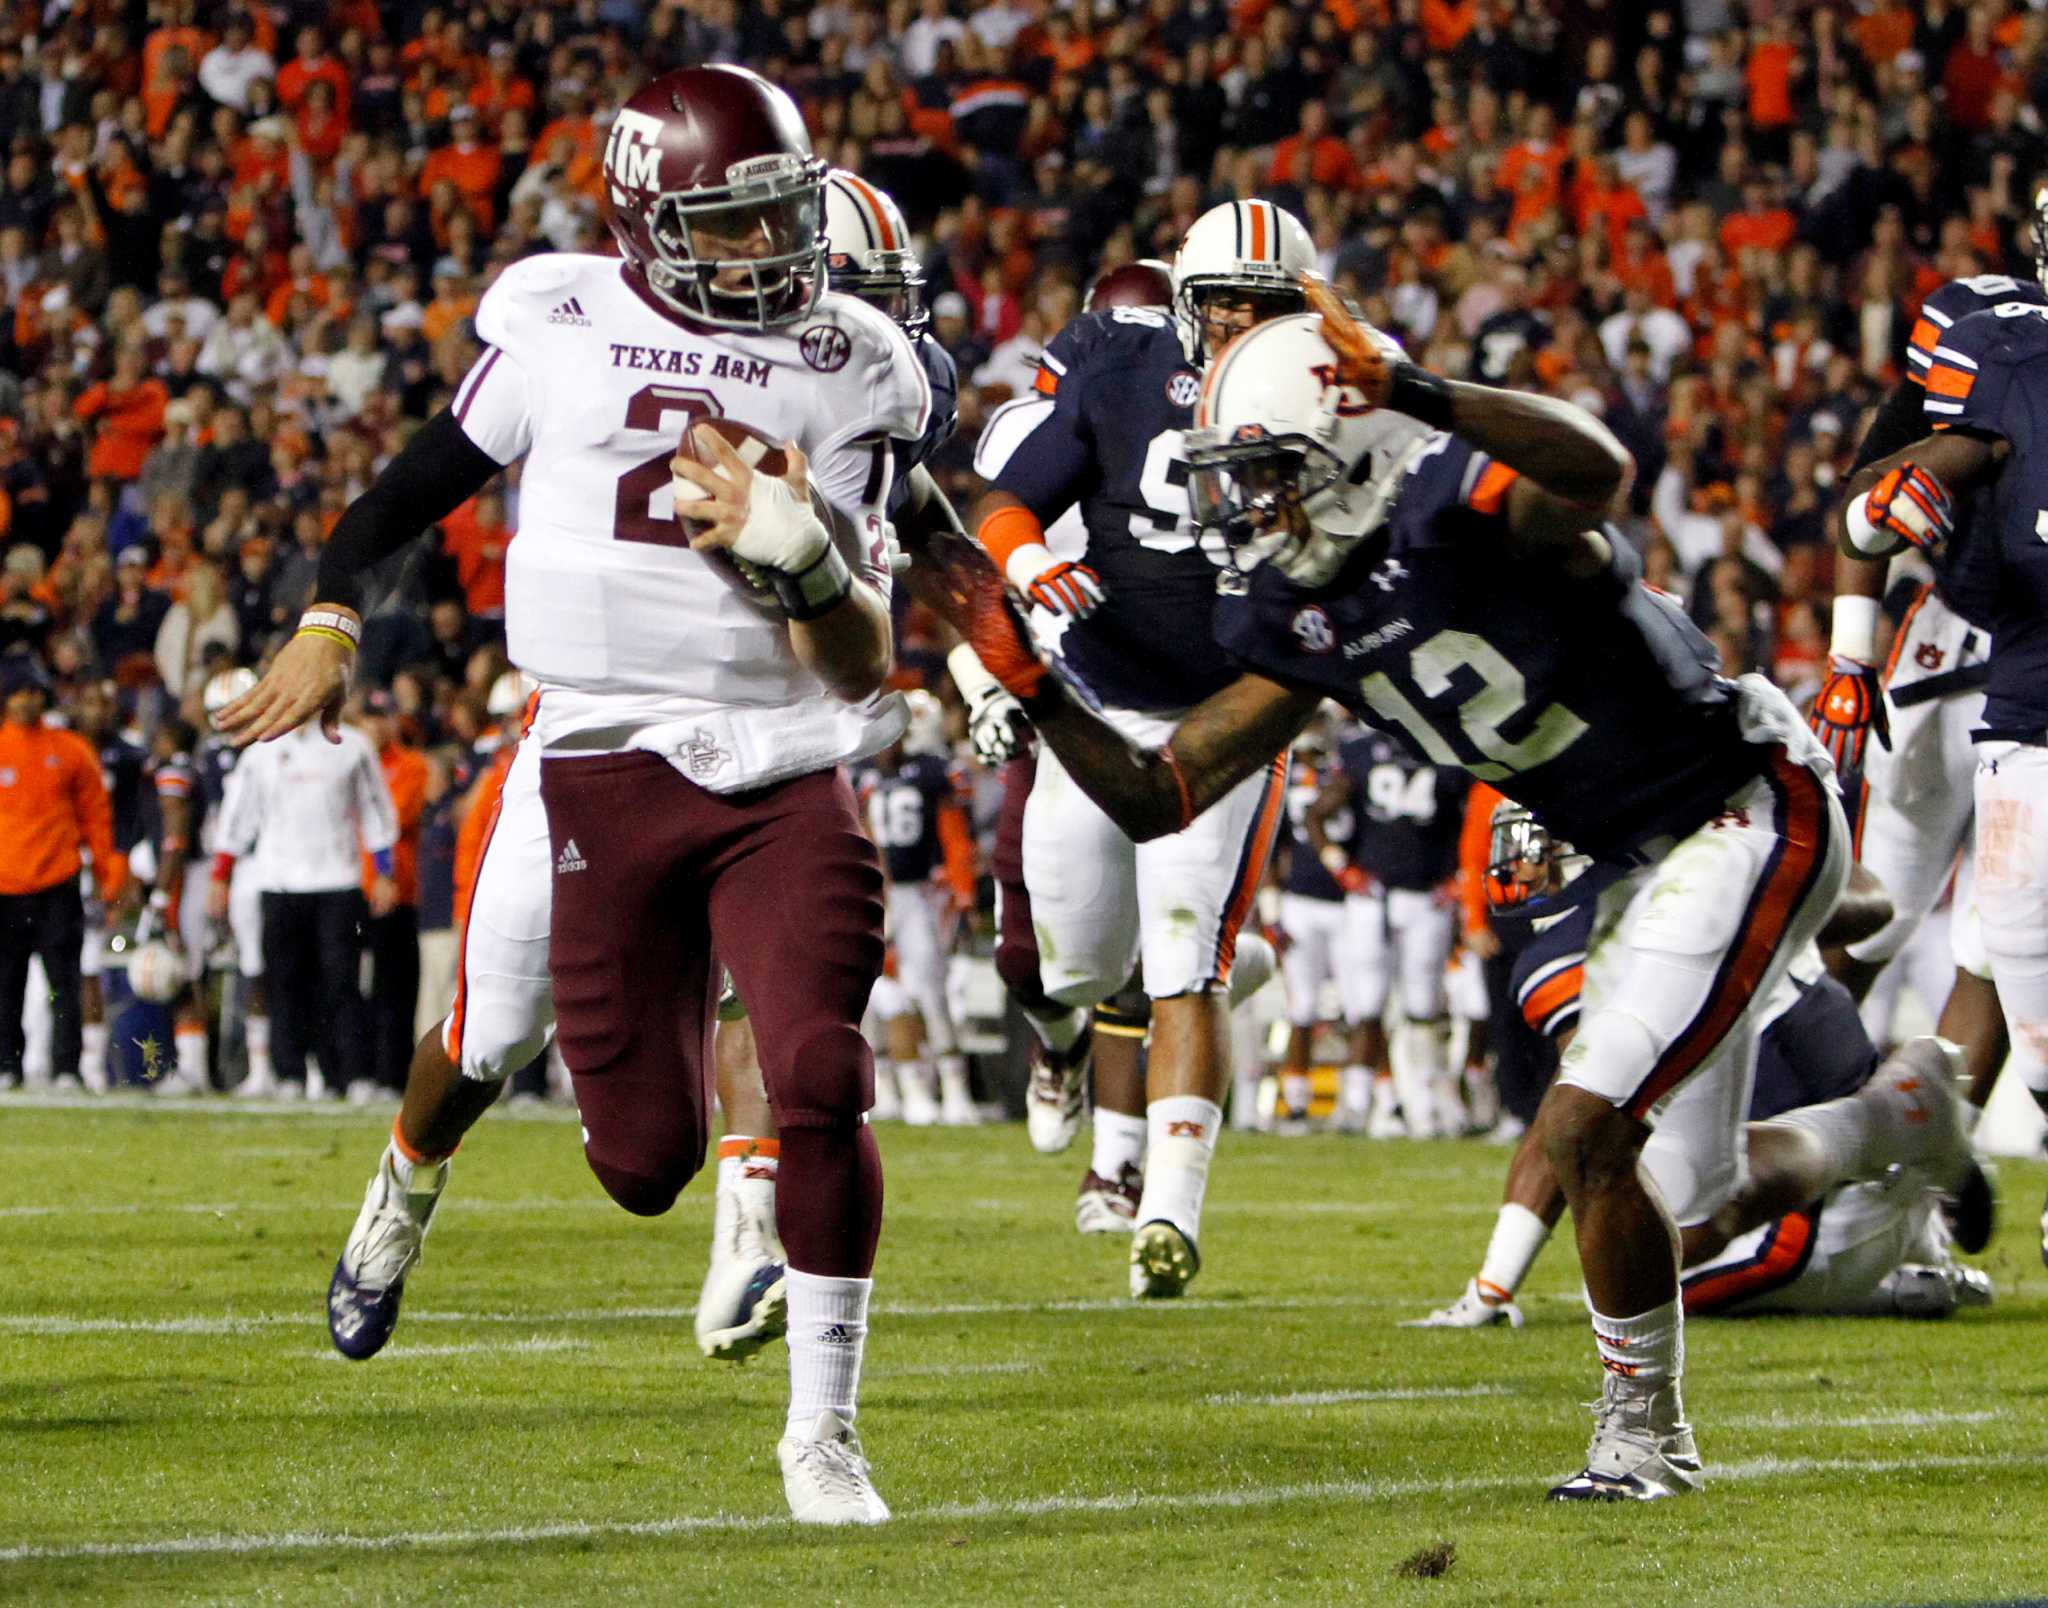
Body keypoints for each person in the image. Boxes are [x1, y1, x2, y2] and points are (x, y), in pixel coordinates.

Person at [936, 281, 1865, 1501]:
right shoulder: (1292, 606)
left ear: (1344, 448)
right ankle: (1897, 1118)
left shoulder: (1449, 500)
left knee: (1586, 1126)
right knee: (1688, 1190)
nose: (1239, 510)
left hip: (1734, 803)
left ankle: (1643, 1439)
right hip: (1619, 851)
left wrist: (1424, 393)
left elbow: (1596, 473)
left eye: (1262, 475)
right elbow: (1166, 794)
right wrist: (1046, 696)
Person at [219, 71, 929, 1524]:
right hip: (590, 762)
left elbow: (862, 662)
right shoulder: (559, 318)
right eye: (734, 228)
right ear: (654, 223)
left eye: (782, 219)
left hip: (781, 766)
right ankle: (402, 1192)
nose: (773, 254)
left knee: (820, 1066)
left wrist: (807, 563)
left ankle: (825, 1434)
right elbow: (395, 501)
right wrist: (329, 622)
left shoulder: (854, 357)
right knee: (540, 1080)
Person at [965, 200, 1310, 1298]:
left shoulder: (1343, 384)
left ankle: (1164, 1210)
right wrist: (1027, 571)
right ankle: (1098, 1029)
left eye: (1270, 306)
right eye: (1227, 305)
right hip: (1100, 701)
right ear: (1184, 304)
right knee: (1071, 964)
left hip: (1231, 712)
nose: (1248, 325)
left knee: (1179, 959)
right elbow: (1008, 502)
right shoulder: (1118, 357)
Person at [1409, 802, 1985, 1328]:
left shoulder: (1573, 946)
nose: (1523, 869)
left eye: (1539, 849)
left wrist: (1494, 1283)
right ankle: (1912, 1220)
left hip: (1798, 1212)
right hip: (1861, 1180)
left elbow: (1573, 1124)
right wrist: (1780, 906)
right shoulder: (1734, 866)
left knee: (1628, 1277)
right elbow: (1871, 905)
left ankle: (1897, 1163)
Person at [1836, 254, 2048, 1263]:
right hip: (1953, 653)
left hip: (2017, 669)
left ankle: (1932, 1162)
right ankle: (1794, 1125)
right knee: (1864, 917)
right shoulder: (1985, 335)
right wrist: (1844, 655)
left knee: (2003, 951)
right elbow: (1869, 487)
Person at [208, 709, 397, 1099]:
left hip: (338, 880)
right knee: (284, 982)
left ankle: (350, 1074)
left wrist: (383, 870)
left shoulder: (353, 746)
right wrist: (220, 875)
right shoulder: (261, 750)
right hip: (278, 882)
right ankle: (289, 1073)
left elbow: (375, 808)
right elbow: (238, 815)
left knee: (341, 982)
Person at [1305, 721, 1470, 1137]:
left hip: (1421, 896)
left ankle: (1424, 1104)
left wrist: (1462, 876)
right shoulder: (1421, 746)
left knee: (1417, 1007)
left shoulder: (1431, 749)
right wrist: (1342, 869)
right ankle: (1364, 1102)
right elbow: (1316, 813)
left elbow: (1473, 817)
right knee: (1374, 1005)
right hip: (1379, 897)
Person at [852, 690, 979, 1126]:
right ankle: (885, 1086)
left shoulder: (931, 772)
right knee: (872, 995)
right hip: (877, 893)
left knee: (930, 989)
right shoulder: (862, 775)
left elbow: (955, 832)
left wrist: (961, 890)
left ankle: (954, 1088)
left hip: (918, 893)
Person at [0, 655, 125, 1090]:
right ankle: (7, 1065)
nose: (27, 700)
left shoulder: (70, 749)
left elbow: (97, 818)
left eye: (33, 691)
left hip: (58, 882)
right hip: (5, 885)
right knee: (6, 984)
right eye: (19, 692)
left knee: (64, 982)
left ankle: (67, 1067)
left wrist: (109, 872)